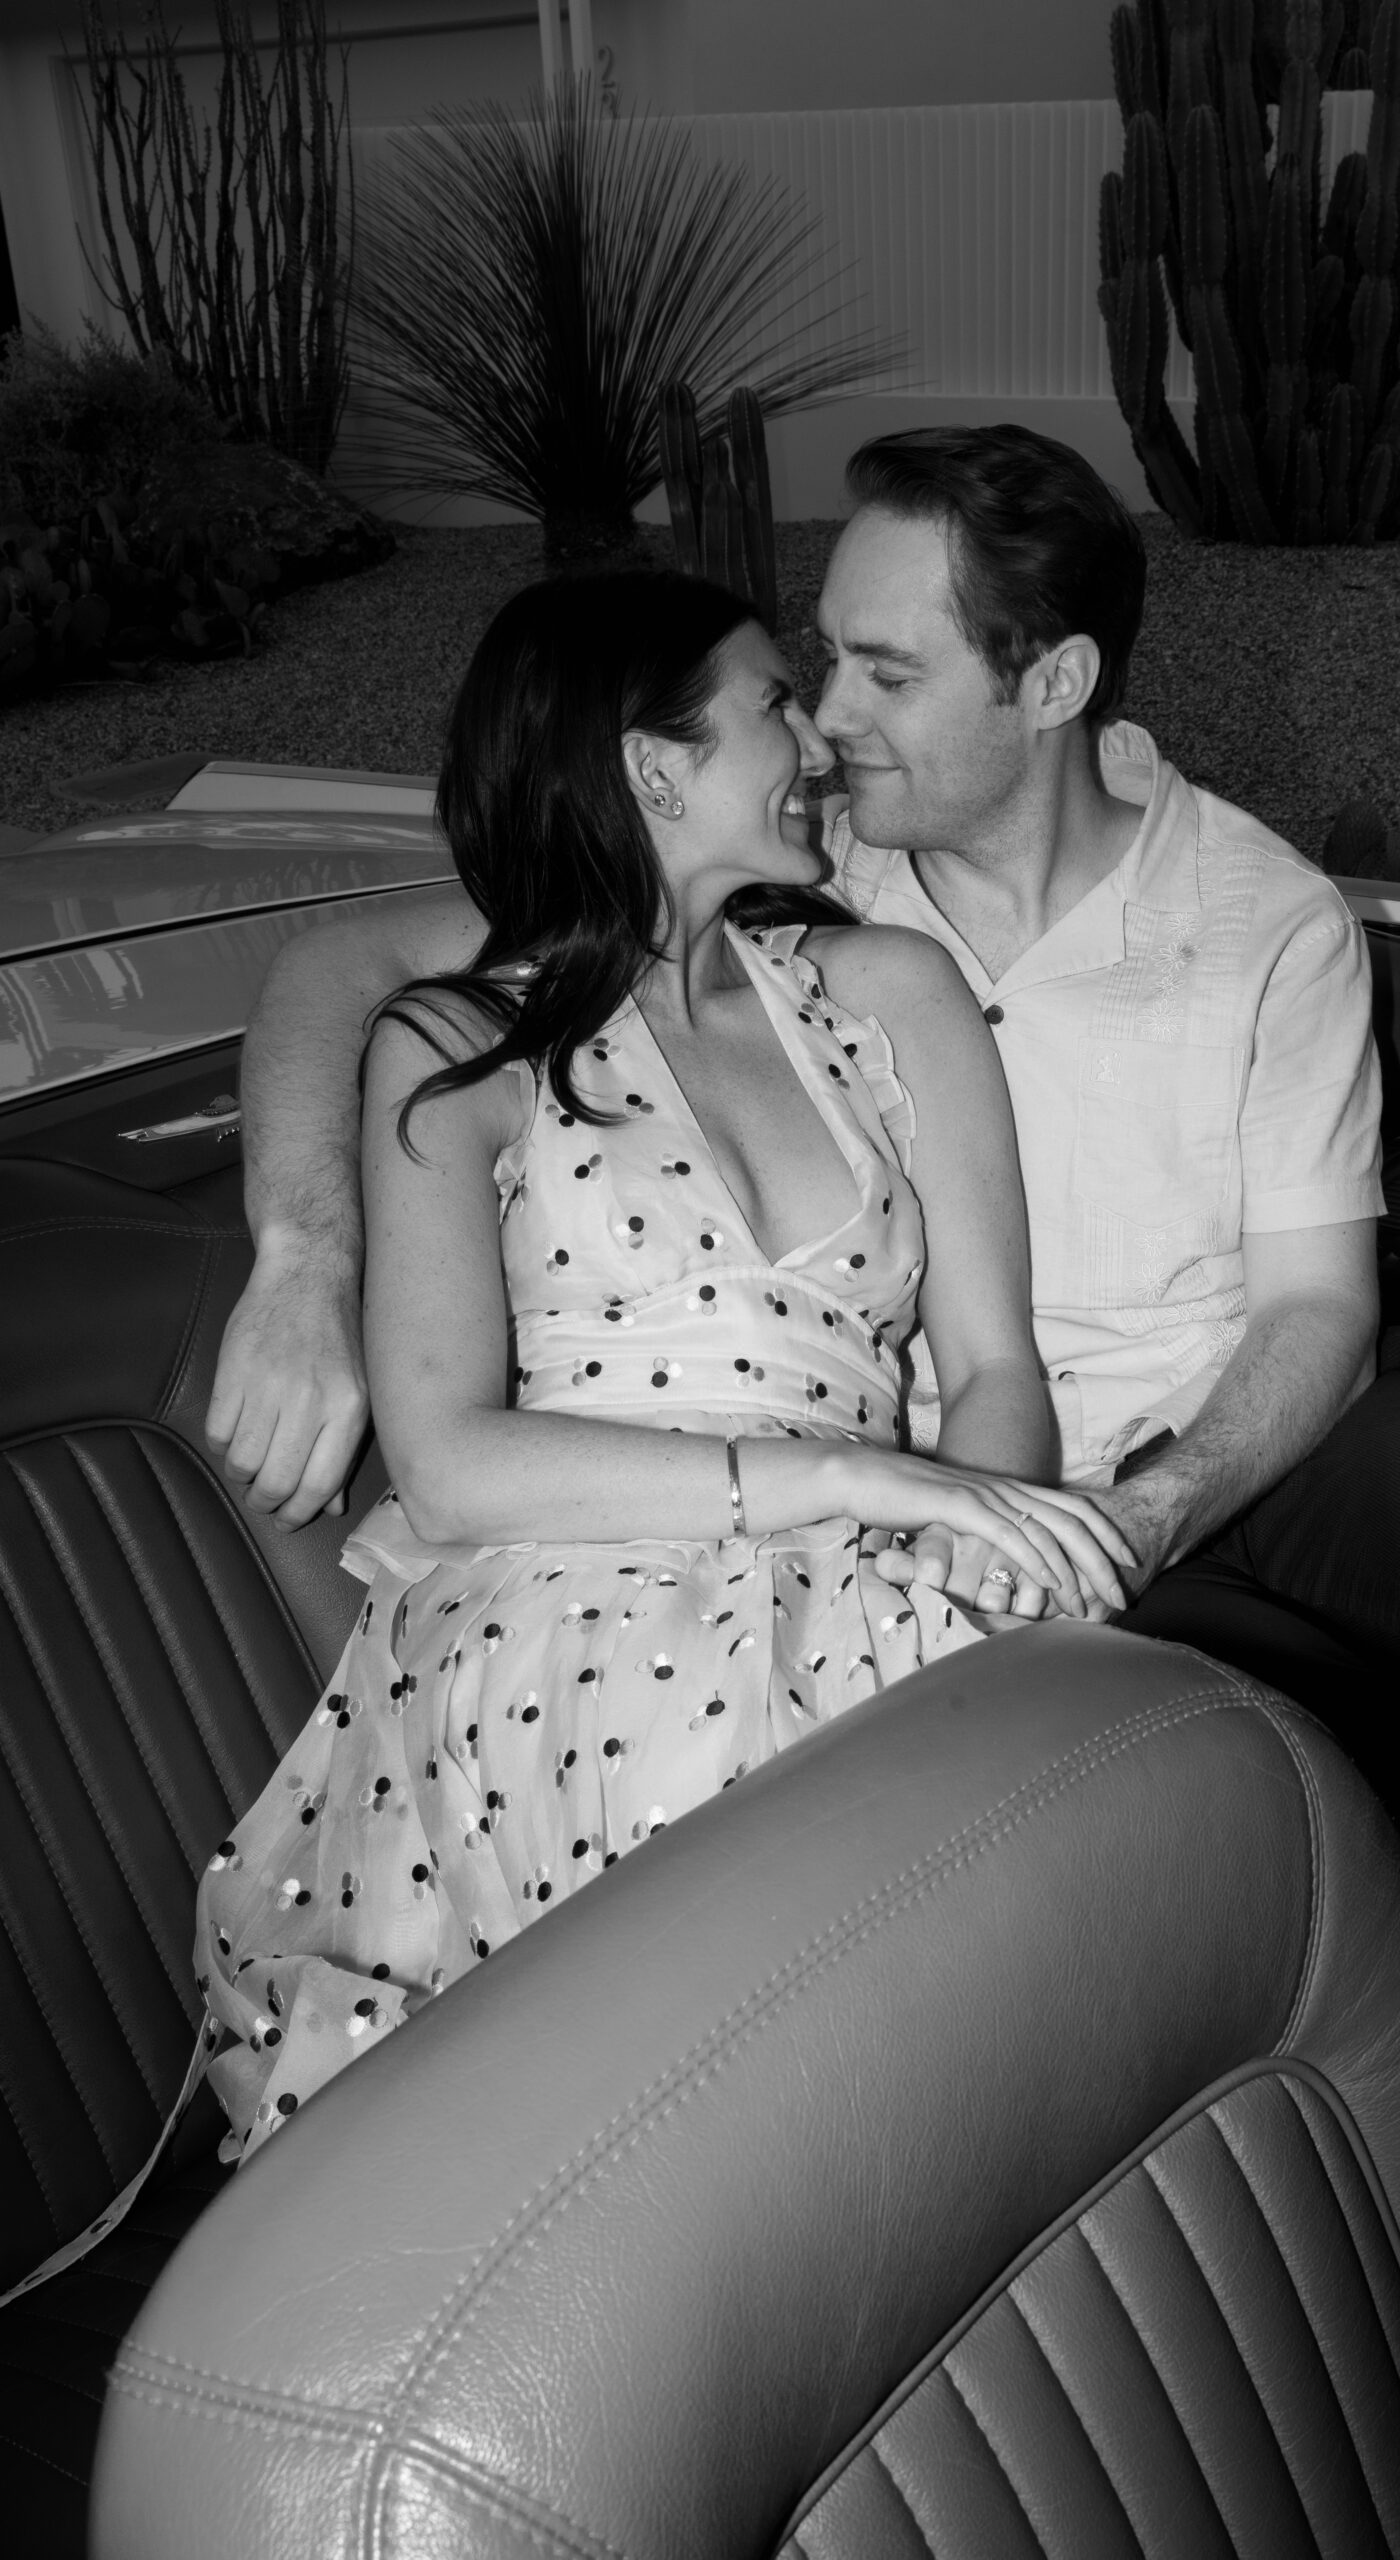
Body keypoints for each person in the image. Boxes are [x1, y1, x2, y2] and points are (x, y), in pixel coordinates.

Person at [207, 426, 1400, 1999]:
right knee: (1340, 1776)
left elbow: (1318, 1316)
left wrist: (1145, 1510)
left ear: (1049, 686)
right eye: (813, 673)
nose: (834, 721)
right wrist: (307, 1258)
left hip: (1235, 1428)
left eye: (883, 674)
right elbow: (345, 973)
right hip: (924, 1484)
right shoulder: (801, 869)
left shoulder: (1266, 923)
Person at [193, 570, 1133, 2163]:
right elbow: (448, 1459)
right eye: (776, 701)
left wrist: (956, 1548)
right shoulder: (453, 1048)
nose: (819, 739)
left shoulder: (891, 993)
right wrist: (837, 1476)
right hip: (572, 1608)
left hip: (891, 1563)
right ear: (651, 768)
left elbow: (991, 1364)